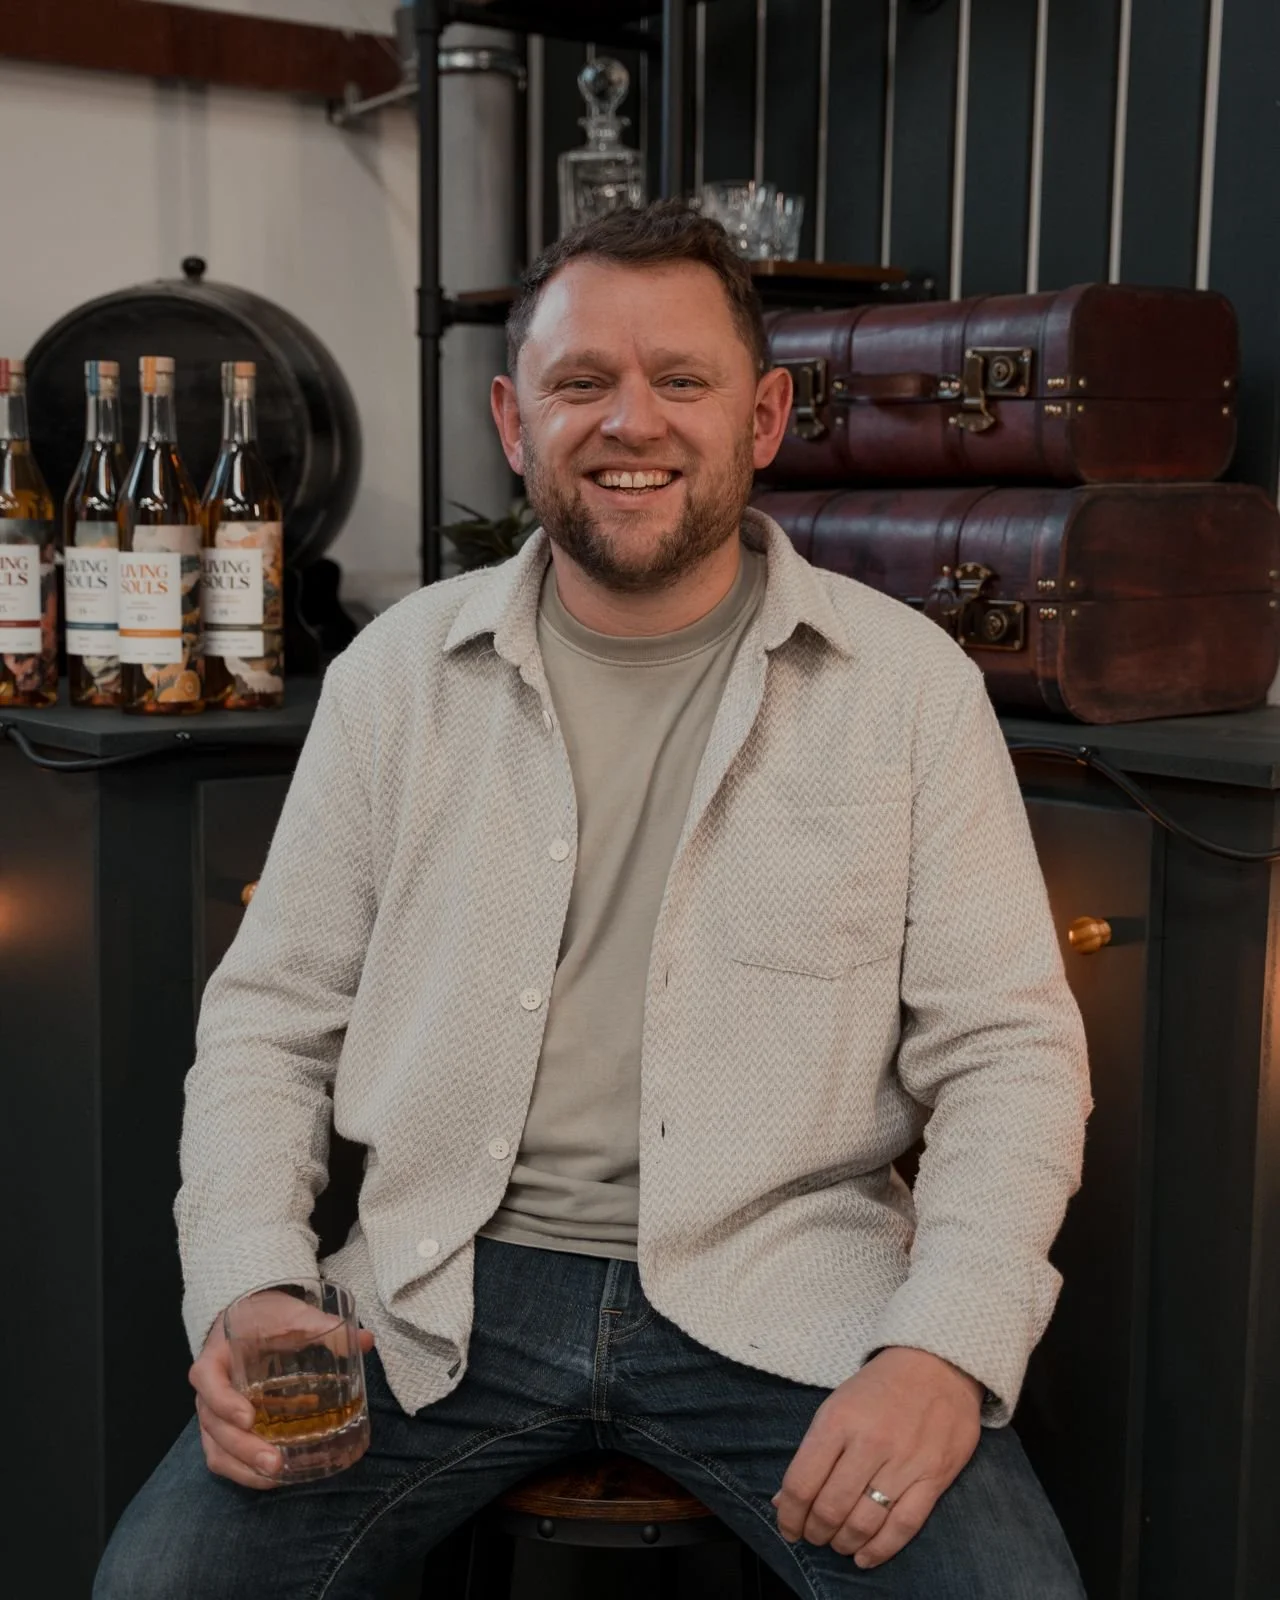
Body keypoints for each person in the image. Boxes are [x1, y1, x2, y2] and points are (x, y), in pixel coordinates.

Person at [96, 202, 1091, 1599]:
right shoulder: (396, 678)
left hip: (797, 1293)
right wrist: (253, 1282)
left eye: (682, 379)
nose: (633, 422)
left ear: (763, 417)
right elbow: (273, 1018)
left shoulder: (909, 686)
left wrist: (942, 1350)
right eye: (582, 382)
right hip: (437, 1292)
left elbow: (1009, 1055)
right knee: (166, 1587)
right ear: (516, 422)